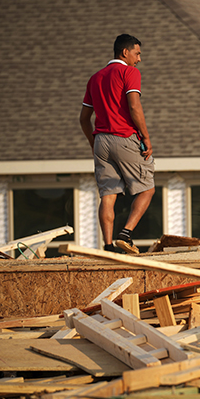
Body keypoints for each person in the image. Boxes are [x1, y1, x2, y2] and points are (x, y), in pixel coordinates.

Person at [80, 34, 155, 254]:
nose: (139, 59)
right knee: (147, 189)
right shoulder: (129, 72)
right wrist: (146, 137)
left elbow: (84, 119)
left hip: (101, 141)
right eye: (137, 53)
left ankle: (107, 245)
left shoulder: (95, 78)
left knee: (108, 195)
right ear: (125, 52)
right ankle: (126, 234)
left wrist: (93, 142)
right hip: (124, 137)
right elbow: (134, 107)